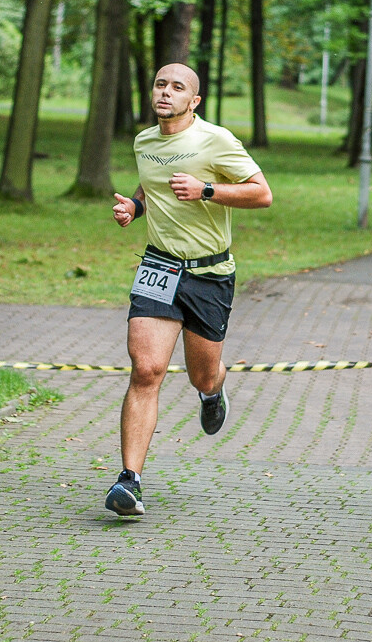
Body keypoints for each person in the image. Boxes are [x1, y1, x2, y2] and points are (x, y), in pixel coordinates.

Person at [105, 63, 272, 516]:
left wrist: (206, 190)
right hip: (159, 266)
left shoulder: (215, 140)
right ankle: (129, 481)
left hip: (209, 273)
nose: (166, 92)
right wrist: (136, 208)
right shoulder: (144, 141)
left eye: (178, 87)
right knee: (146, 369)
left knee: (201, 372)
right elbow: (150, 183)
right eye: (161, 84)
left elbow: (262, 193)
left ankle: (212, 390)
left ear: (193, 101)